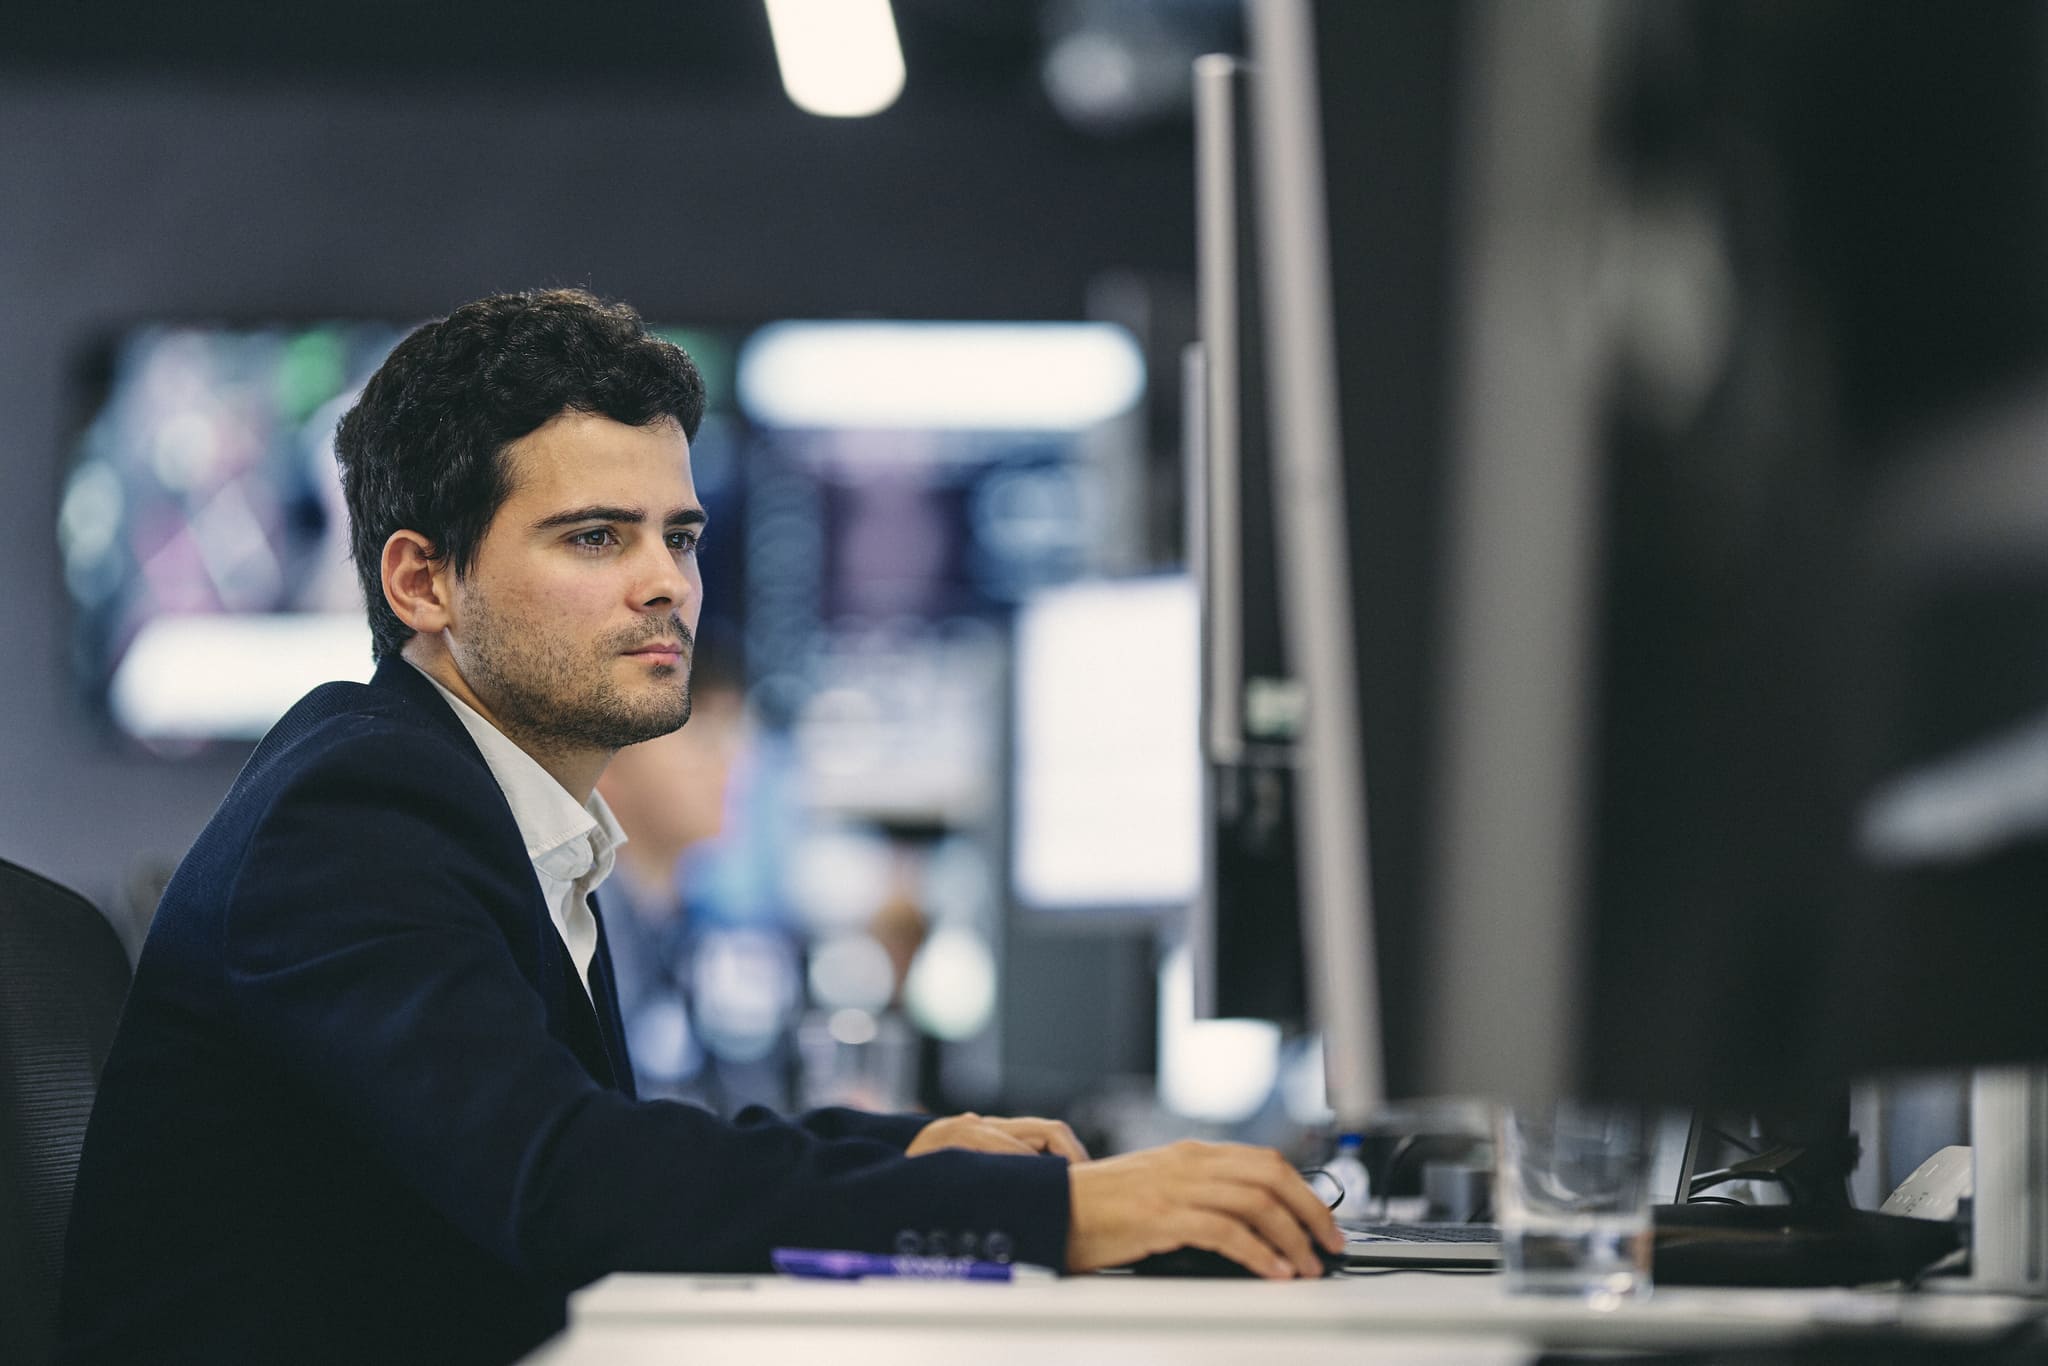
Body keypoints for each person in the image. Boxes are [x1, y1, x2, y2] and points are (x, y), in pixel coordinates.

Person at [58, 289, 1341, 1365]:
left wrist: (910, 1149)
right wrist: (1047, 1210)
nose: (668, 580)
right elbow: (568, 1185)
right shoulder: (357, 812)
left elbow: (592, 1140)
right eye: (595, 536)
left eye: (679, 533)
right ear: (422, 579)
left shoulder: (491, 806)